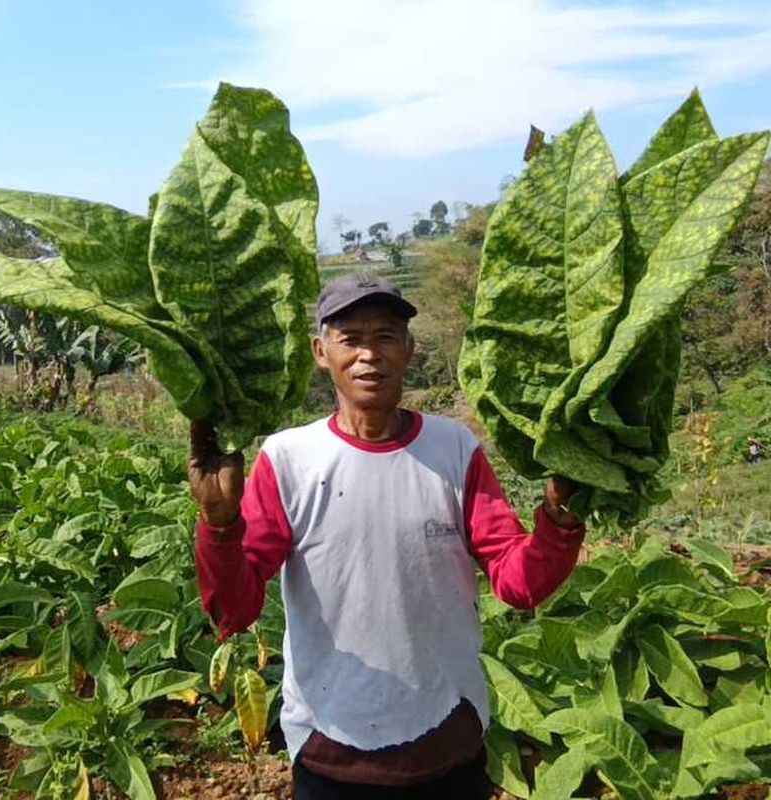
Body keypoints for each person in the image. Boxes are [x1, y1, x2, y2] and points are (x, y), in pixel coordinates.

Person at [189, 272, 585, 800]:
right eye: (350, 339)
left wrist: (559, 521)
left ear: (409, 349)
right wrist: (218, 524)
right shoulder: (288, 459)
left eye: (384, 337)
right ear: (320, 352)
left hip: (448, 736)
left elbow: (518, 582)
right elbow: (234, 611)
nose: (368, 355)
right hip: (332, 745)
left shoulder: (454, 448)